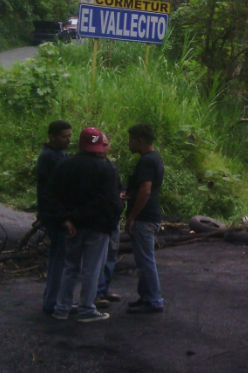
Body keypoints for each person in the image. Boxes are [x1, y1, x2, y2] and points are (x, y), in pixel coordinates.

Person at [48, 127, 122, 322]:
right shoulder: (106, 168)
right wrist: (110, 222)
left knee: (70, 267)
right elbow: (109, 201)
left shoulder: (64, 165)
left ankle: (62, 308)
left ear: (80, 144)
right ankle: (86, 309)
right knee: (92, 269)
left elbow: (53, 196)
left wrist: (66, 218)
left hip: (71, 226)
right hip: (97, 227)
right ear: (98, 146)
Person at [124, 124, 165, 314]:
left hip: (145, 218)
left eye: (131, 140)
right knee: (142, 261)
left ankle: (154, 300)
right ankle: (146, 297)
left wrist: (132, 216)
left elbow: (145, 190)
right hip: (150, 215)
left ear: (140, 141)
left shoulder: (147, 161)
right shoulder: (154, 159)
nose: (128, 143)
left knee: (146, 261)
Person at [37, 120, 72, 315]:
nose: (68, 140)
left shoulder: (58, 155)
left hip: (56, 215)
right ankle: (52, 302)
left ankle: (56, 300)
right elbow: (54, 192)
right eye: (64, 136)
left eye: (69, 136)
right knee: (58, 260)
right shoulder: (50, 158)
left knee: (60, 259)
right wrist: (62, 217)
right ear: (52, 137)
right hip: (56, 217)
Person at [94, 133, 125, 309]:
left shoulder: (112, 166)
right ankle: (96, 292)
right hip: (100, 219)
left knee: (111, 254)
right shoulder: (93, 167)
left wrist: (121, 196)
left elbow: (118, 187)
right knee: (97, 257)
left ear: (110, 146)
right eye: (100, 145)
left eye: (105, 145)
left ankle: (104, 289)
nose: (102, 148)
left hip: (113, 217)